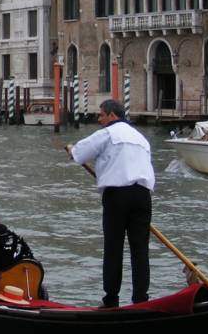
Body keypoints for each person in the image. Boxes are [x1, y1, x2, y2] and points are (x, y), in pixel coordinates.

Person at [65, 98, 155, 309]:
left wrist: (70, 148)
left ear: (112, 116)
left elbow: (79, 153)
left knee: (113, 248)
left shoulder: (107, 133)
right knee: (140, 250)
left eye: (101, 115)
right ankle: (141, 299)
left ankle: (111, 300)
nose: (98, 119)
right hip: (143, 196)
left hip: (117, 195)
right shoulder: (141, 138)